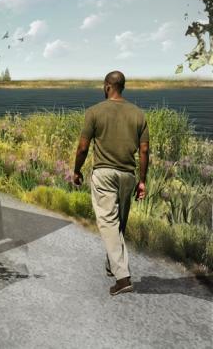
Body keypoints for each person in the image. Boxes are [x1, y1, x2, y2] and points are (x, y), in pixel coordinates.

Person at [72, 71, 149, 297]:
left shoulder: (94, 112)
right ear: (122, 87)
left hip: (104, 173)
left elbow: (83, 147)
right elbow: (144, 151)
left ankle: (123, 277)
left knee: (108, 222)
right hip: (128, 174)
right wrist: (142, 181)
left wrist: (76, 171)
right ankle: (112, 265)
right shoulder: (138, 114)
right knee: (118, 223)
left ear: (107, 86)